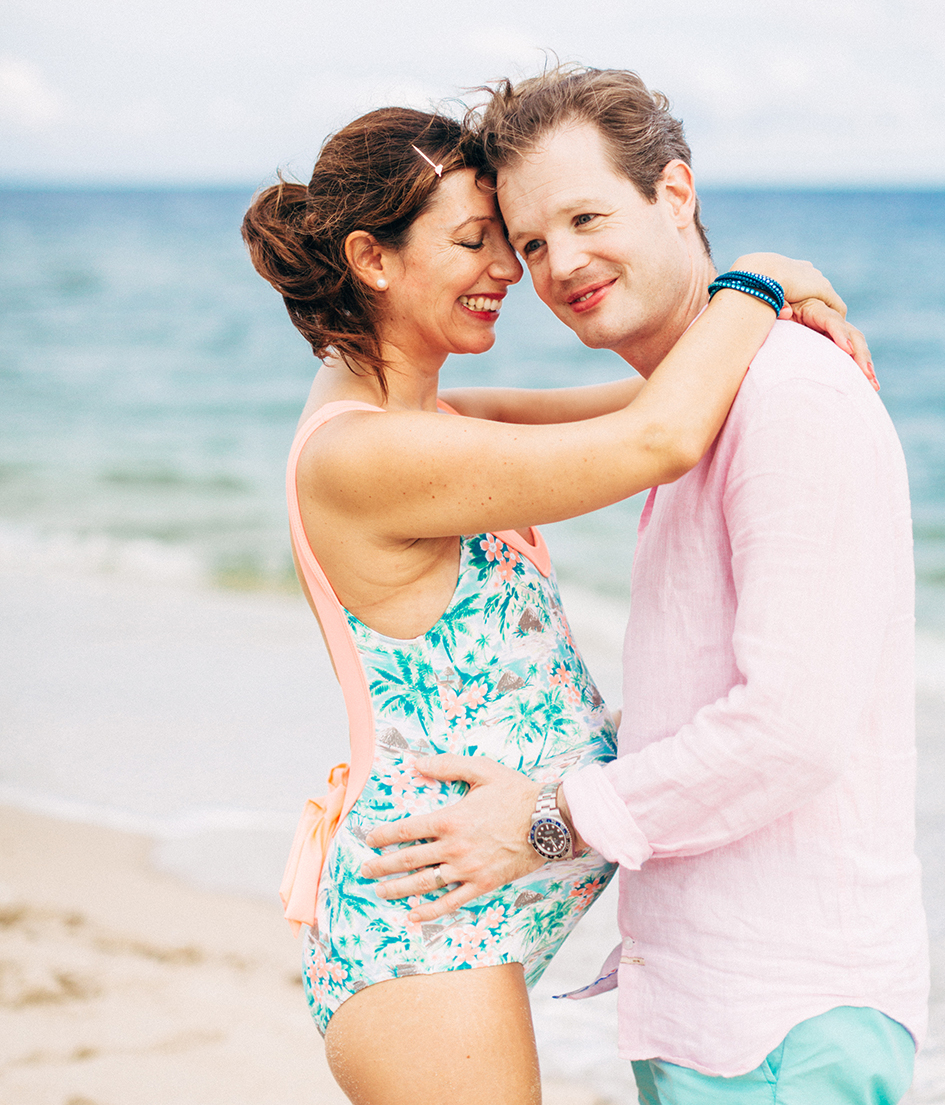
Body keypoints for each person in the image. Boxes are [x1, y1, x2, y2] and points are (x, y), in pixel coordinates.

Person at [241, 103, 868, 1105]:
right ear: (371, 258)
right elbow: (657, 440)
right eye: (473, 241)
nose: (506, 269)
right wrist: (757, 276)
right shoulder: (367, 454)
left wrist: (761, 305)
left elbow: (664, 395)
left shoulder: (436, 418)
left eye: (508, 240)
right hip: (423, 927)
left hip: (465, 908)